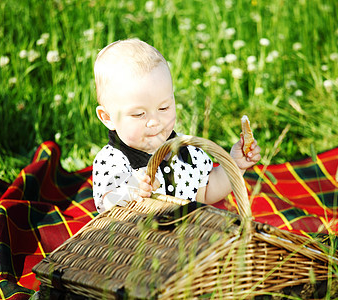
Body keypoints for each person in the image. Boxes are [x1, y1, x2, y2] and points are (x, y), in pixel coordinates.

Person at [92, 38, 261, 213]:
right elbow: (107, 203)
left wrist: (236, 165)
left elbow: (207, 191)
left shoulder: (185, 150)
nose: (154, 121)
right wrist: (130, 192)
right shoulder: (113, 160)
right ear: (107, 118)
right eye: (139, 114)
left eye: (163, 107)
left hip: (187, 237)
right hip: (139, 238)